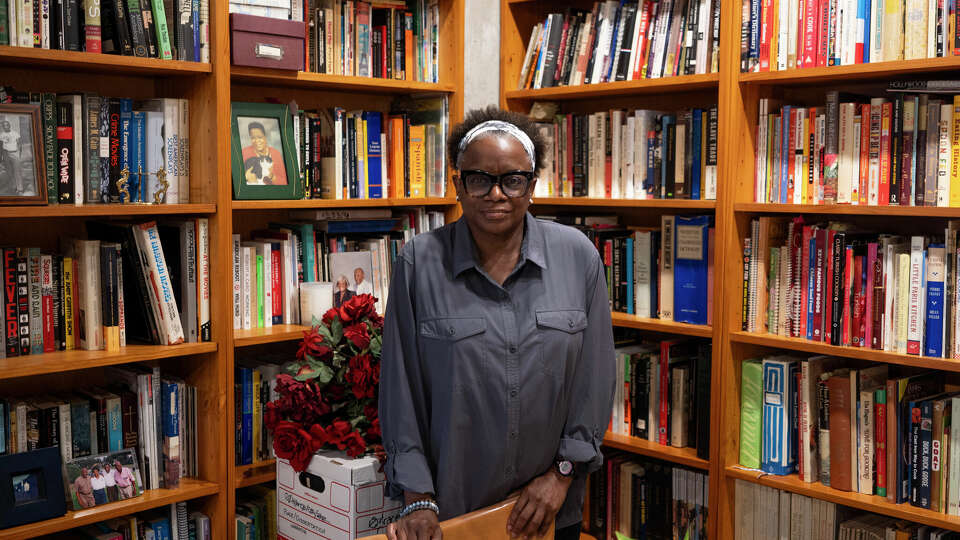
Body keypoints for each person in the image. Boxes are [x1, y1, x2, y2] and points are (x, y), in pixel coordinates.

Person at [380, 107, 615, 540]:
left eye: (512, 179)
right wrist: (418, 498)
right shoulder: (419, 262)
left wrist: (561, 475)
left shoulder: (578, 256)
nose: (496, 194)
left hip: (548, 512)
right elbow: (401, 392)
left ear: (532, 186)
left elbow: (594, 380)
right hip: (453, 515)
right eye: (479, 179)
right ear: (458, 185)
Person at [241, 121, 287, 186]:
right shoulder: (244, 152)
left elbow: (285, 182)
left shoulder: (276, 153)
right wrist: (246, 178)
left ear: (265, 137)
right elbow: (238, 179)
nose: (256, 141)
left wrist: (272, 177)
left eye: (260, 137)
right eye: (253, 138)